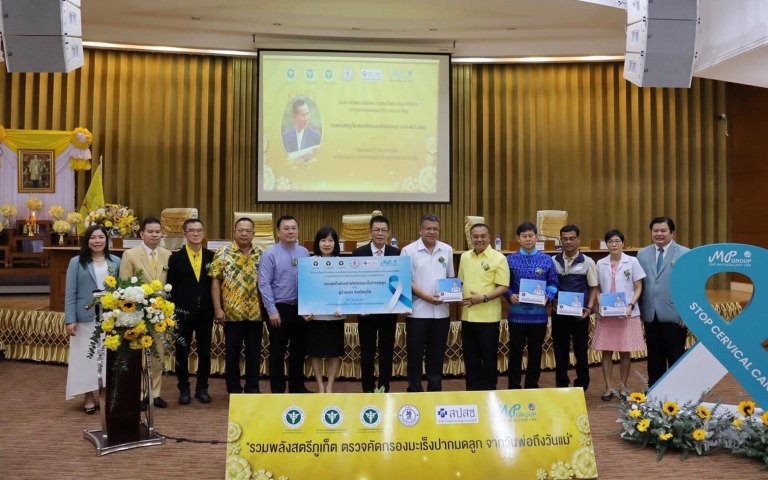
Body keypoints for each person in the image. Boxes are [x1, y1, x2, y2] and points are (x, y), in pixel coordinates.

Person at [64, 225, 120, 414]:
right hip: (84, 318)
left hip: (109, 317)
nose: (97, 241)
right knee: (86, 358)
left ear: (106, 241)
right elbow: (70, 293)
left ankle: (106, 395)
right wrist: (70, 320)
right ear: (87, 241)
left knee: (106, 358)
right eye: (93, 237)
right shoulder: (76, 262)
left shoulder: (116, 262)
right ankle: (88, 397)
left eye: (101, 237)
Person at [119, 217, 172, 409]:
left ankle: (155, 393)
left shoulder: (167, 255)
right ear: (142, 234)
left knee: (158, 354)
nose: (155, 235)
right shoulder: (130, 255)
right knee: (139, 356)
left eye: (158, 232)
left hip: (160, 313)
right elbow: (124, 285)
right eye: (150, 231)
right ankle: (140, 394)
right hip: (138, 313)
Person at [400, 214, 454, 392]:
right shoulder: (408, 251)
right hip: (418, 312)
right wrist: (425, 296)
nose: (432, 232)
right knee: (415, 354)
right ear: (420, 230)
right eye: (428, 228)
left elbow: (450, 277)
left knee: (437, 355)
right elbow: (405, 280)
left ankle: (435, 389)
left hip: (441, 312)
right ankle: (414, 389)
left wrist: (451, 293)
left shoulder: (446, 250)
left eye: (435, 229)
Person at [210, 218, 264, 394]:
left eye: (248, 230)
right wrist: (218, 308)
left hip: (256, 313)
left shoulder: (262, 254)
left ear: (253, 234)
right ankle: (233, 389)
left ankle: (252, 388)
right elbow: (215, 281)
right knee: (232, 354)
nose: (244, 233)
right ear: (234, 232)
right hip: (231, 313)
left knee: (254, 354)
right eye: (240, 230)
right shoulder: (223, 252)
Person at [258, 215, 311, 393]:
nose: (290, 231)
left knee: (299, 350)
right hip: (278, 308)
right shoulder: (269, 254)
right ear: (278, 232)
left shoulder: (304, 252)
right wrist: (271, 310)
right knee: (277, 351)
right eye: (286, 228)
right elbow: (264, 284)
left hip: (300, 308)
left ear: (298, 231)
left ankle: (297, 387)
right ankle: (278, 390)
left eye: (293, 228)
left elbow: (309, 281)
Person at [593, 229, 647, 401]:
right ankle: (608, 388)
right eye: (610, 241)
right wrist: (600, 303)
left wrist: (631, 305)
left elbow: (638, 287)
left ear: (623, 243)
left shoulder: (632, 261)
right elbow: (597, 288)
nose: (614, 244)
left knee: (625, 352)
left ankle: (623, 387)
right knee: (606, 352)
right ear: (606, 244)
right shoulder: (600, 263)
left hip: (627, 313)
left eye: (617, 241)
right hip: (608, 315)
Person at [637, 216, 691, 387]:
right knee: (654, 357)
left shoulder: (685, 253)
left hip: (675, 314)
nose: (659, 234)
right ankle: (655, 391)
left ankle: (677, 392)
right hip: (650, 313)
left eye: (663, 231)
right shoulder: (642, 253)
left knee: (675, 356)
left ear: (672, 233)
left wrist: (688, 313)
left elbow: (690, 285)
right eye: (655, 231)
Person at [167, 218, 215, 404]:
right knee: (182, 351)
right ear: (184, 233)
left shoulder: (212, 257)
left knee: (204, 351)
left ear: (203, 233)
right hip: (182, 313)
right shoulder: (176, 258)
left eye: (199, 230)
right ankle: (183, 388)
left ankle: (202, 388)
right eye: (192, 230)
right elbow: (170, 287)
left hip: (205, 313)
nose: (196, 234)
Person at [506, 222, 558, 389]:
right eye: (524, 236)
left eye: (531, 236)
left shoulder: (546, 260)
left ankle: (531, 385)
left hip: (538, 316)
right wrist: (509, 295)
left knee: (535, 353)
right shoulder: (509, 260)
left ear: (536, 237)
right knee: (515, 352)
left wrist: (548, 297)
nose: (528, 239)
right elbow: (503, 284)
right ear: (518, 239)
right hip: (516, 315)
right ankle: (513, 386)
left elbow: (553, 283)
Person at [351, 215, 400, 392]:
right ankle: (368, 390)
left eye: (384, 230)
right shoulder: (359, 254)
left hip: (389, 312)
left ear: (389, 233)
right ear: (370, 232)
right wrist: (358, 307)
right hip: (366, 313)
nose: (380, 233)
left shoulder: (396, 253)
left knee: (387, 352)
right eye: (376, 230)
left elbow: (399, 282)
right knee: (367, 353)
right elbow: (354, 283)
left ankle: (384, 388)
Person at [458, 223, 510, 390]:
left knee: (488, 357)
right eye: (475, 236)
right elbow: (460, 282)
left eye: (483, 236)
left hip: (488, 317)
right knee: (470, 357)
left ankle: (489, 392)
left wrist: (484, 298)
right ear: (471, 238)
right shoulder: (465, 257)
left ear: (489, 237)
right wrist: (455, 294)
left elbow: (503, 286)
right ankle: (472, 392)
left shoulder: (499, 258)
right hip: (467, 316)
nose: (479, 239)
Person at [551, 224, 598, 391]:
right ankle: (561, 383)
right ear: (561, 240)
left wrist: (589, 308)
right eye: (565, 239)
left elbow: (593, 287)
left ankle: (582, 383)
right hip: (559, 314)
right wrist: (553, 302)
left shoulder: (588, 262)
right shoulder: (553, 261)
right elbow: (550, 286)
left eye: (572, 238)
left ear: (578, 240)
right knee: (560, 350)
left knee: (580, 350)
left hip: (580, 315)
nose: (568, 242)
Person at [303, 227, 345, 393]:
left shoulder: (343, 264)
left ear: (335, 243)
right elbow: (305, 288)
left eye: (330, 240)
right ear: (317, 243)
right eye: (323, 240)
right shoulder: (309, 263)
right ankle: (320, 385)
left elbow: (348, 287)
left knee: (334, 353)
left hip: (336, 315)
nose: (327, 244)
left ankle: (330, 386)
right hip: (315, 316)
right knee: (315, 352)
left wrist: (342, 306)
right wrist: (305, 309)